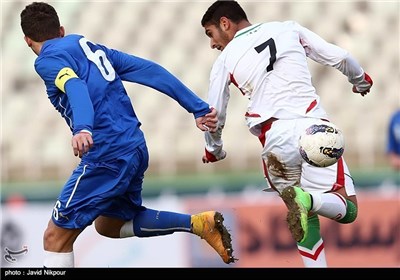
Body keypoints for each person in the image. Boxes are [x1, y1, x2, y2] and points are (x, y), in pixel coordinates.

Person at [20, 1, 235, 267]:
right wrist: (197, 107)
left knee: (55, 238)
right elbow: (149, 70)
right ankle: (198, 224)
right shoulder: (92, 49)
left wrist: (83, 127)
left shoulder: (47, 61)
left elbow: (73, 84)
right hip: (134, 146)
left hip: (106, 154)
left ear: (28, 40)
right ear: (61, 30)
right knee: (110, 224)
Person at [200, 0, 373, 267]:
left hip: (274, 138)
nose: (212, 44)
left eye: (210, 34)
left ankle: (308, 213)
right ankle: (310, 199)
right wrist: (360, 80)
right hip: (314, 129)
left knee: (300, 213)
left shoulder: (224, 60)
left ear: (225, 23)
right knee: (347, 208)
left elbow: (214, 115)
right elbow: (340, 57)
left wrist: (214, 150)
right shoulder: (288, 29)